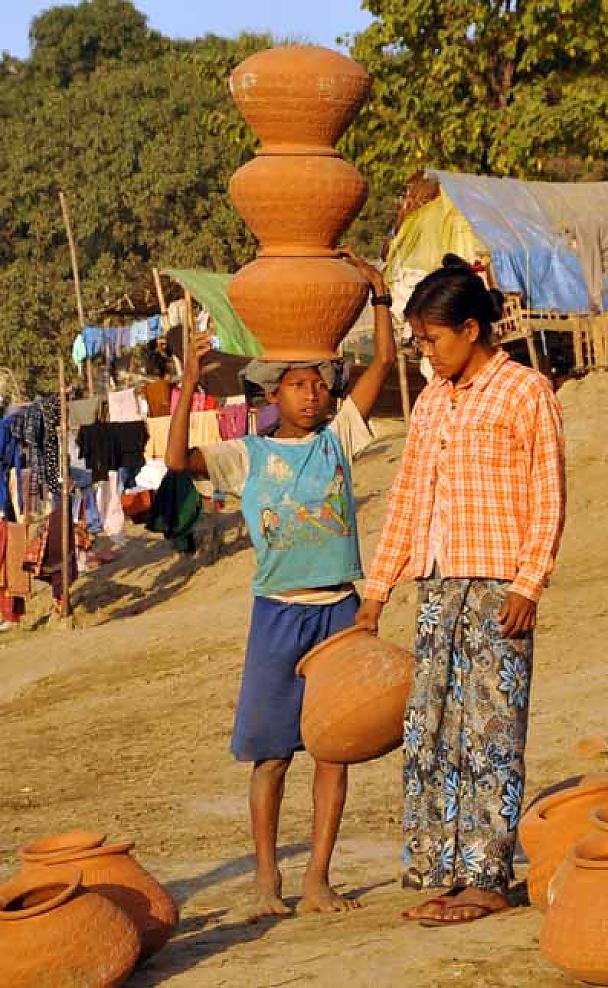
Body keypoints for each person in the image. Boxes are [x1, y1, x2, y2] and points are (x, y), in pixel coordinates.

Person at [165, 248, 396, 918]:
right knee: (271, 758)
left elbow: (383, 365)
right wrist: (188, 384)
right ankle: (267, 880)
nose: (313, 393)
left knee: (333, 750)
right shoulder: (248, 455)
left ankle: (318, 878)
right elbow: (176, 460)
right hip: (277, 615)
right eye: (298, 385)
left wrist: (381, 299)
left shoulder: (338, 439)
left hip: (340, 612)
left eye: (319, 383)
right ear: (274, 395)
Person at [355, 254, 566, 925]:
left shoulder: (525, 392)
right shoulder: (430, 404)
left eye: (432, 339)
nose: (426, 351)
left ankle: (487, 876)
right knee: (435, 729)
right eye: (418, 340)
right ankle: (442, 869)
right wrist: (376, 593)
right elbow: (408, 498)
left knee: (492, 730)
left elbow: (550, 495)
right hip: (438, 586)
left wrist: (529, 583)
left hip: (500, 586)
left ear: (471, 329)